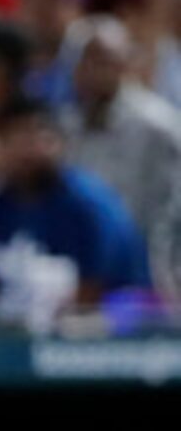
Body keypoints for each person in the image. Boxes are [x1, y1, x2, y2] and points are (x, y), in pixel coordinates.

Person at [0, 99, 152, 314]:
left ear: (60, 143)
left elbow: (92, 297)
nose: (27, 151)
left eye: (39, 137)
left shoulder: (89, 206)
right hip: (12, 334)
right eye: (17, 139)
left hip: (109, 332)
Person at [60, 16, 181, 297]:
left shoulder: (157, 127)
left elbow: (167, 214)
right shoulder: (67, 125)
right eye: (86, 61)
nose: (94, 71)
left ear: (125, 63)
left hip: (143, 273)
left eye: (105, 61)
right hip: (85, 269)